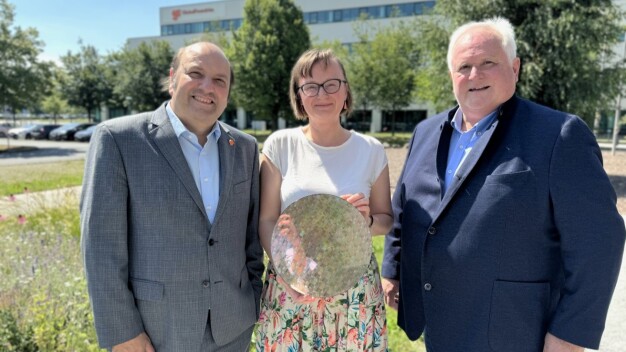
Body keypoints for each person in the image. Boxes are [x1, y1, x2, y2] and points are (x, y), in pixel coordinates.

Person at [382, 17, 625, 352]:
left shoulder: (558, 135)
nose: (474, 75)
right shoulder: (426, 132)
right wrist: (392, 271)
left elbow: (599, 241)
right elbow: (404, 208)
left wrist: (570, 334)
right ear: (451, 75)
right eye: (464, 66)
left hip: (514, 331)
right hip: (438, 323)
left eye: (488, 63)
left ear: (515, 68)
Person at [80, 42, 264, 351]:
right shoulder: (118, 139)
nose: (208, 87)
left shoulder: (245, 148)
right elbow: (100, 247)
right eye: (196, 73)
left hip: (233, 328)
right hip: (156, 332)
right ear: (172, 78)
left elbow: (251, 238)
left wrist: (253, 297)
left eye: (220, 80)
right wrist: (123, 331)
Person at [255, 48, 393, 351]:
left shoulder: (371, 150)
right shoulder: (281, 144)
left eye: (332, 83)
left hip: (353, 288)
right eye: (311, 86)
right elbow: (267, 219)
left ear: (346, 91)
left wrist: (364, 221)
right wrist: (289, 274)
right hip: (292, 286)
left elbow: (386, 219)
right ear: (299, 96)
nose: (322, 94)